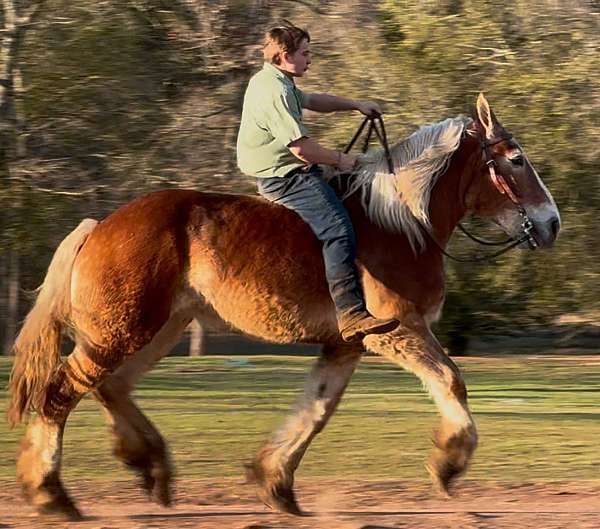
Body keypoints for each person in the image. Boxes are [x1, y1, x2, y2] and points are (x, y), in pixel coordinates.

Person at [236, 20, 399, 342]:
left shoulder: (276, 80)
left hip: (286, 168)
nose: (310, 59)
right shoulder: (275, 92)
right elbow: (300, 149)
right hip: (283, 177)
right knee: (339, 230)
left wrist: (355, 105)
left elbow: (313, 101)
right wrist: (341, 159)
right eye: (305, 53)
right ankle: (351, 314)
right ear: (284, 55)